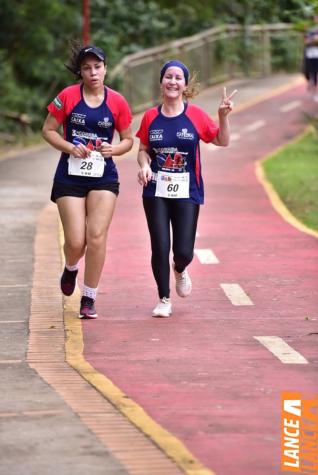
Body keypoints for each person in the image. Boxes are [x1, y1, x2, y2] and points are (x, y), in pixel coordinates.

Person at [136, 59, 236, 318]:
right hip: (155, 190)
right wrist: (144, 166)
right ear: (161, 82)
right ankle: (164, 298)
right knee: (159, 245)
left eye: (178, 78)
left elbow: (222, 140)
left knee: (182, 251)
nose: (172, 82)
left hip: (187, 191)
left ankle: (180, 268)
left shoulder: (195, 115)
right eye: (168, 76)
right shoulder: (150, 117)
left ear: (184, 84)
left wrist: (223, 117)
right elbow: (143, 150)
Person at [42, 44, 133, 319]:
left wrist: (113, 150)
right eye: (87, 68)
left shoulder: (117, 101)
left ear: (105, 68)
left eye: (97, 67)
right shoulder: (68, 96)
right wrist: (70, 147)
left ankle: (89, 297)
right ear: (80, 72)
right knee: (76, 241)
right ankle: (71, 267)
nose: (93, 72)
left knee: (96, 237)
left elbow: (128, 139)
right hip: (70, 175)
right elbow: (48, 130)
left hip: (103, 176)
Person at [304, 15, 318, 101]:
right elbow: (306, 41)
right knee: (312, 73)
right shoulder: (311, 30)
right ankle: (314, 93)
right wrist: (314, 40)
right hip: (312, 54)